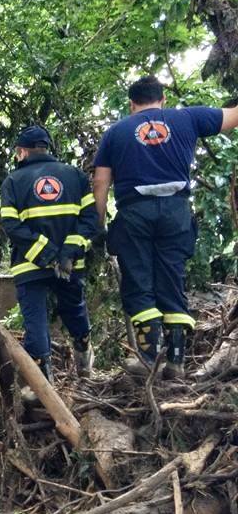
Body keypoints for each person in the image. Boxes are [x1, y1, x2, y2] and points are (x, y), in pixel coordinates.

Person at [93, 75, 238, 377]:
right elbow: (232, 116)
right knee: (172, 278)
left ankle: (148, 358)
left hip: (135, 213)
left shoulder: (115, 133)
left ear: (131, 104)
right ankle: (176, 360)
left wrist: (99, 223)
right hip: (176, 210)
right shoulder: (188, 118)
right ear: (163, 99)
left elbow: (101, 183)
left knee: (139, 279)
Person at [0, 125, 98, 394]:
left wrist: (46, 255)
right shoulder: (75, 176)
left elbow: (11, 225)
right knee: (75, 310)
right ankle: (84, 359)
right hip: (69, 264)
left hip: (30, 265)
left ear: (21, 152)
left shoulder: (13, 181)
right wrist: (66, 253)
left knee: (35, 322)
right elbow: (90, 220)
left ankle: (42, 386)